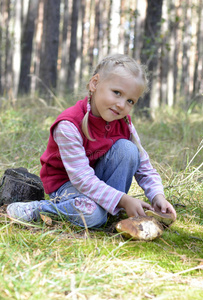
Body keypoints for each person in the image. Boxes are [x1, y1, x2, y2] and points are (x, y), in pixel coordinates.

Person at [7, 53, 176, 228]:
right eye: (116, 92)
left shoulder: (124, 123)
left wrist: (158, 196)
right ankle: (38, 209)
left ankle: (109, 210)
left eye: (130, 101)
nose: (121, 104)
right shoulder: (69, 124)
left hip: (98, 184)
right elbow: (81, 178)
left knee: (128, 149)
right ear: (95, 83)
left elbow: (144, 166)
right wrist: (123, 200)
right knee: (92, 215)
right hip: (67, 186)